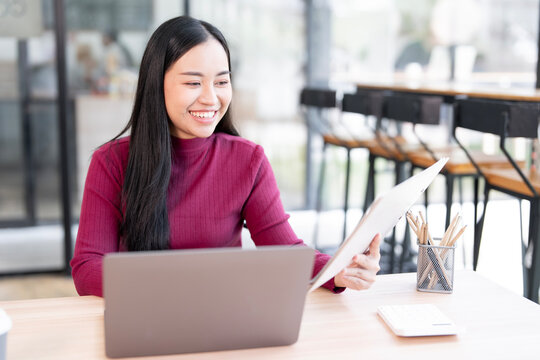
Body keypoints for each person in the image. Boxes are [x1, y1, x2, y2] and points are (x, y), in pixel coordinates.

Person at [71, 16, 381, 297]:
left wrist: (339, 270)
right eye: (193, 82)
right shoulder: (112, 162)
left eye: (221, 81)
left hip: (221, 316)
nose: (211, 97)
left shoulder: (248, 160)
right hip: (144, 315)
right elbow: (87, 268)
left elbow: (284, 250)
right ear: (156, 85)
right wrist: (177, 284)